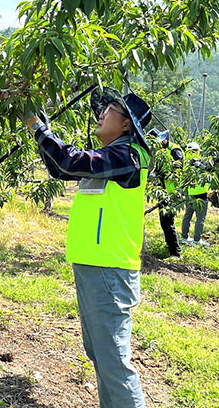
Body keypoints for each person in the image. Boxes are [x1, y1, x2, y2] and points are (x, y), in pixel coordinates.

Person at [27, 87, 151, 408]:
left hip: (109, 270)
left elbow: (68, 161)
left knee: (114, 362)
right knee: (100, 354)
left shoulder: (128, 156)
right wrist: (43, 130)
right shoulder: (114, 155)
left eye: (109, 110)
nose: (101, 114)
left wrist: (38, 128)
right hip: (94, 266)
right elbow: (63, 165)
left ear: (126, 125)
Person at [153, 132, 183, 257]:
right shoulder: (162, 152)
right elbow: (159, 168)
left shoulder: (175, 150)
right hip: (164, 191)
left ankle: (176, 252)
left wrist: (163, 174)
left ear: (164, 140)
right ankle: (170, 248)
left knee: (168, 222)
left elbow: (178, 168)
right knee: (164, 222)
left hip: (171, 192)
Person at [181, 141, 210, 246]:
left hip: (189, 194)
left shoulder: (185, 162)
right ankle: (197, 240)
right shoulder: (199, 162)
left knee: (187, 217)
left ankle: (184, 238)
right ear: (196, 151)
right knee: (200, 218)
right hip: (201, 194)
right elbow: (207, 171)